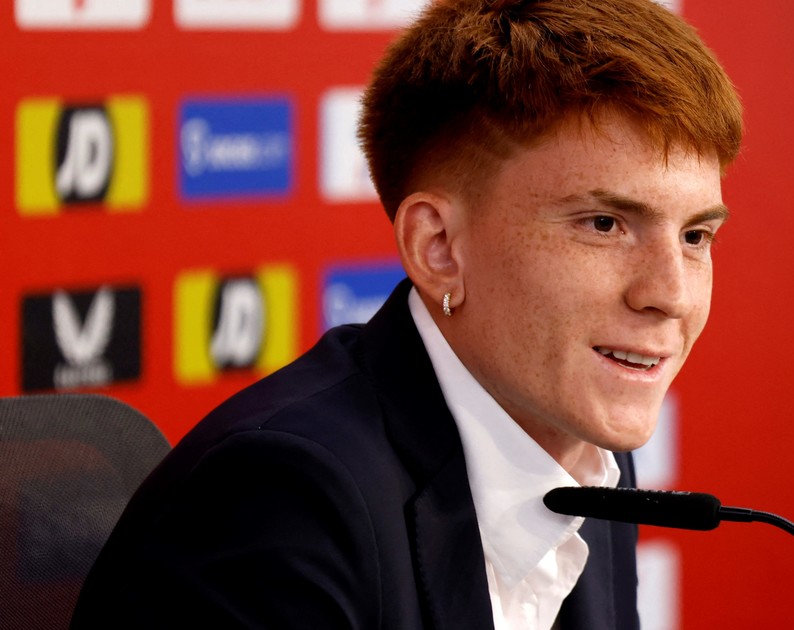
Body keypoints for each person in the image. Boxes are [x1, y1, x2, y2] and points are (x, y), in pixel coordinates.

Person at [71, 0, 742, 627]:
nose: (672, 295)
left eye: (695, 236)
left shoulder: (588, 455)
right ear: (439, 248)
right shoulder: (282, 498)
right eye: (603, 224)